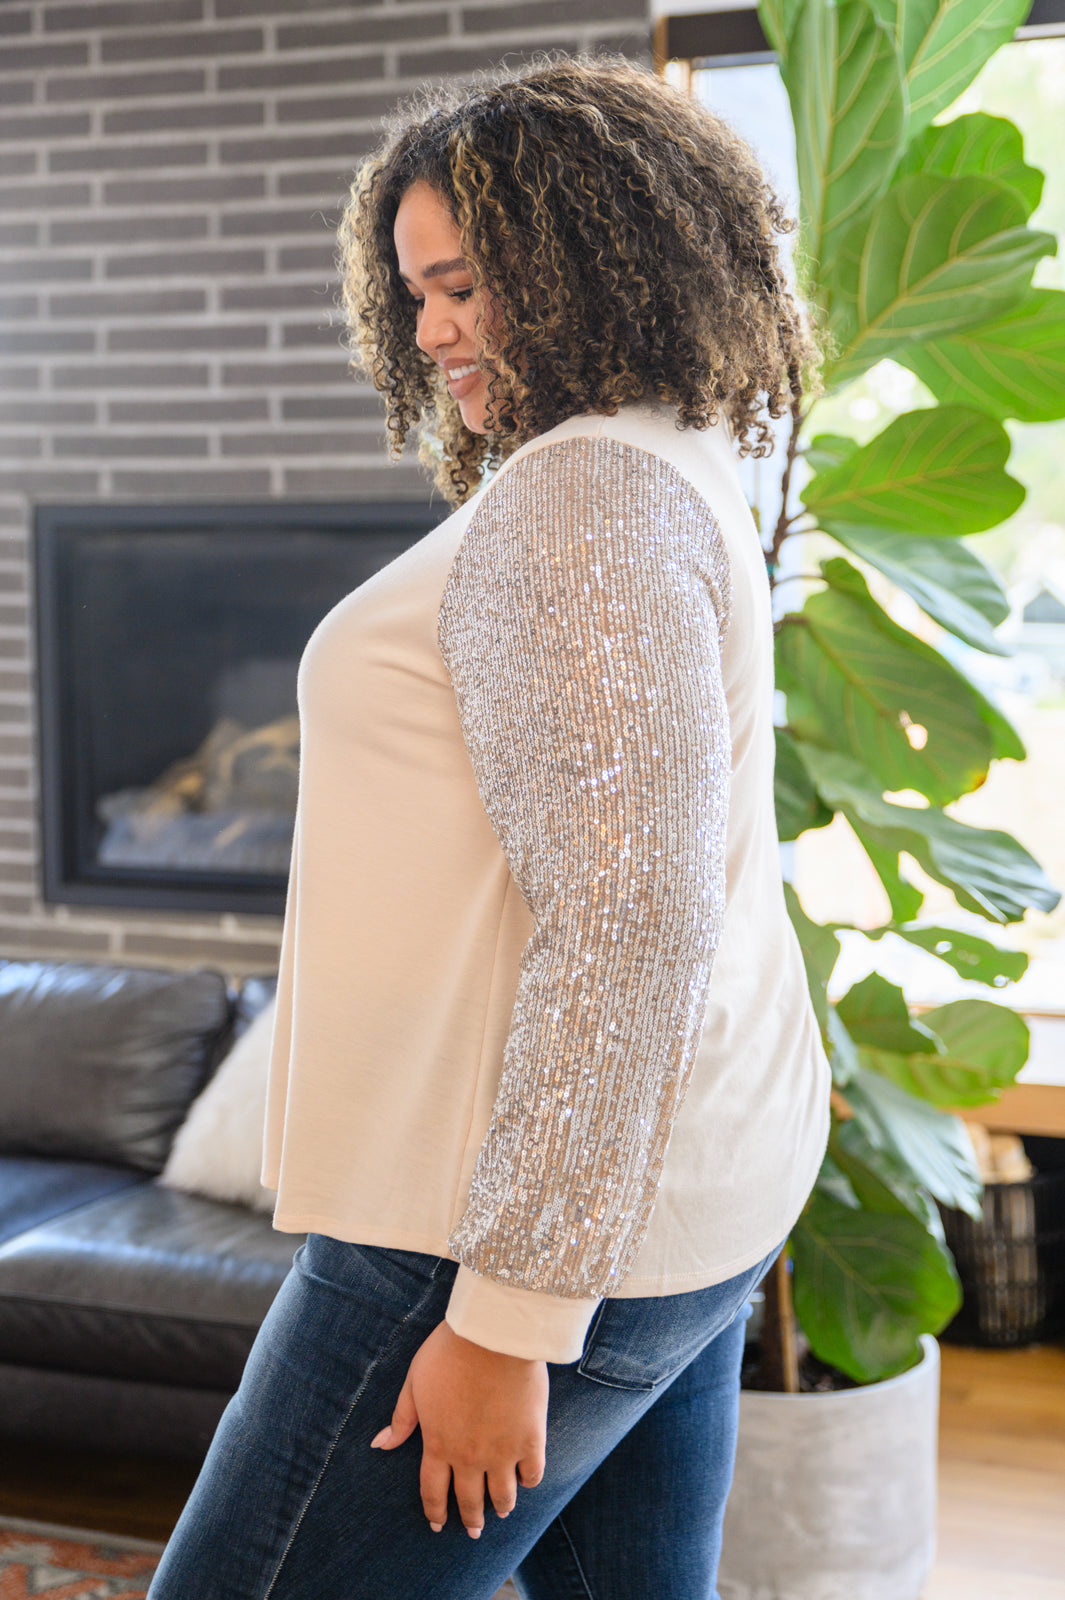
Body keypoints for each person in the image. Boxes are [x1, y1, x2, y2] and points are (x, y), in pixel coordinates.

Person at [147, 54, 831, 1600]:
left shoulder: (580, 504)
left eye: (463, 287)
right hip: (679, 1191)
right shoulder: (669, 458)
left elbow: (628, 920)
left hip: (486, 1229)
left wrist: (505, 1319)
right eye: (413, 300)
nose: (433, 332)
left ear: (590, 261)